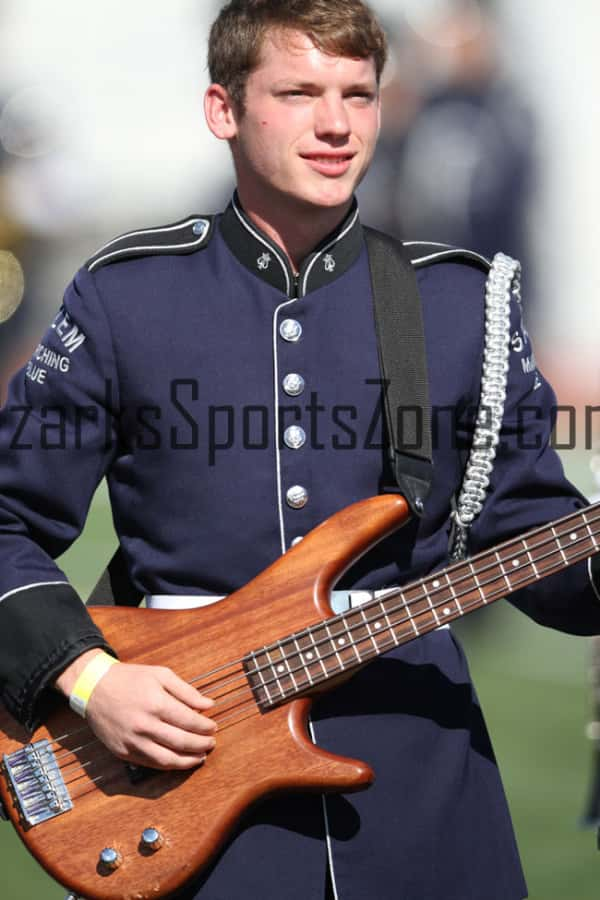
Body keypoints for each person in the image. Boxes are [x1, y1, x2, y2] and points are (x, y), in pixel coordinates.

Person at [0, 2, 599, 898]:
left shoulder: (456, 301)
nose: (335, 123)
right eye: (299, 92)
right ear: (224, 110)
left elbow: (532, 531)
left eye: (358, 94)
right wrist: (89, 681)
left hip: (421, 790)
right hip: (183, 771)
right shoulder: (126, 297)